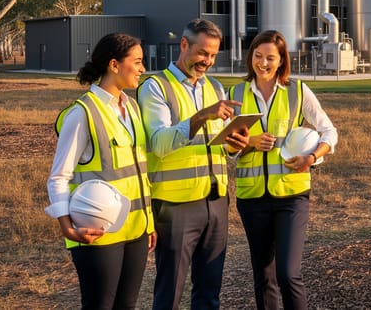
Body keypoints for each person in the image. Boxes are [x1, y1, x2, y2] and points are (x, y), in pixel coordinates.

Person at [137, 19, 250, 309]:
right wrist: (201, 116)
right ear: (184, 45)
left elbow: (219, 147)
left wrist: (234, 146)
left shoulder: (214, 87)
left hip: (216, 202)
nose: (208, 61)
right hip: (176, 205)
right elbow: (160, 144)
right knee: (169, 292)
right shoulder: (155, 87)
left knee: (209, 292)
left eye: (213, 55)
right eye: (203, 53)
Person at [229, 30, 339, 310]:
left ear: (281, 61)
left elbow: (329, 132)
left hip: (291, 196)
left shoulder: (297, 91)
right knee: (263, 275)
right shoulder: (236, 93)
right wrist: (250, 143)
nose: (262, 63)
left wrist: (311, 158)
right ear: (250, 56)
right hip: (252, 198)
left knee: (288, 274)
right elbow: (227, 148)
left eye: (270, 58)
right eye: (257, 56)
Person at [45, 33, 156, 309]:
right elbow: (59, 176)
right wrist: (66, 226)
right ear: (115, 65)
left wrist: (148, 222)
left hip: (136, 231)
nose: (143, 69)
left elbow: (138, 172)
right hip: (97, 233)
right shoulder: (82, 113)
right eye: (138, 62)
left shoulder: (132, 108)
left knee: (126, 305)